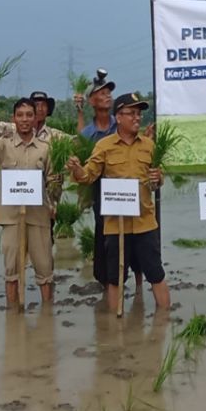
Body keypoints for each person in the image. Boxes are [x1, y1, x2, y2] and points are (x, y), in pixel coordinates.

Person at [67, 92, 170, 310]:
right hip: (115, 224)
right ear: (119, 117)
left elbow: (156, 182)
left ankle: (165, 322)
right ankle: (115, 329)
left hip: (145, 223)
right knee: (115, 278)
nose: (136, 118)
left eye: (139, 113)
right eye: (131, 113)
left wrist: (158, 179)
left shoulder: (149, 146)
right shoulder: (104, 146)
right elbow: (88, 176)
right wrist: (77, 169)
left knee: (156, 273)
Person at [0, 98, 59, 307]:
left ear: (35, 119)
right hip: (11, 218)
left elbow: (52, 180)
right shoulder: (4, 146)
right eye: (20, 115)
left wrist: (54, 205)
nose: (25, 119)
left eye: (29, 115)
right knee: (11, 270)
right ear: (14, 119)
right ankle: (13, 316)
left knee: (44, 269)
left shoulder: (45, 148)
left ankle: (47, 316)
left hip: (39, 218)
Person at [76, 69, 118, 287]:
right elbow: (82, 162)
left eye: (109, 93)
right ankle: (106, 282)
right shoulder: (88, 134)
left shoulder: (120, 126)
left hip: (124, 188)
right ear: (92, 100)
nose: (107, 96)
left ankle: (132, 281)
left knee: (129, 234)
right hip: (100, 191)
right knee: (104, 233)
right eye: (102, 93)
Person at [0, 87, 73, 143]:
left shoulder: (55, 135)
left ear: (48, 110)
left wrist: (80, 111)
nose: (40, 109)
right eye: (36, 105)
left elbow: (78, 142)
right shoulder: (15, 130)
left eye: (43, 105)